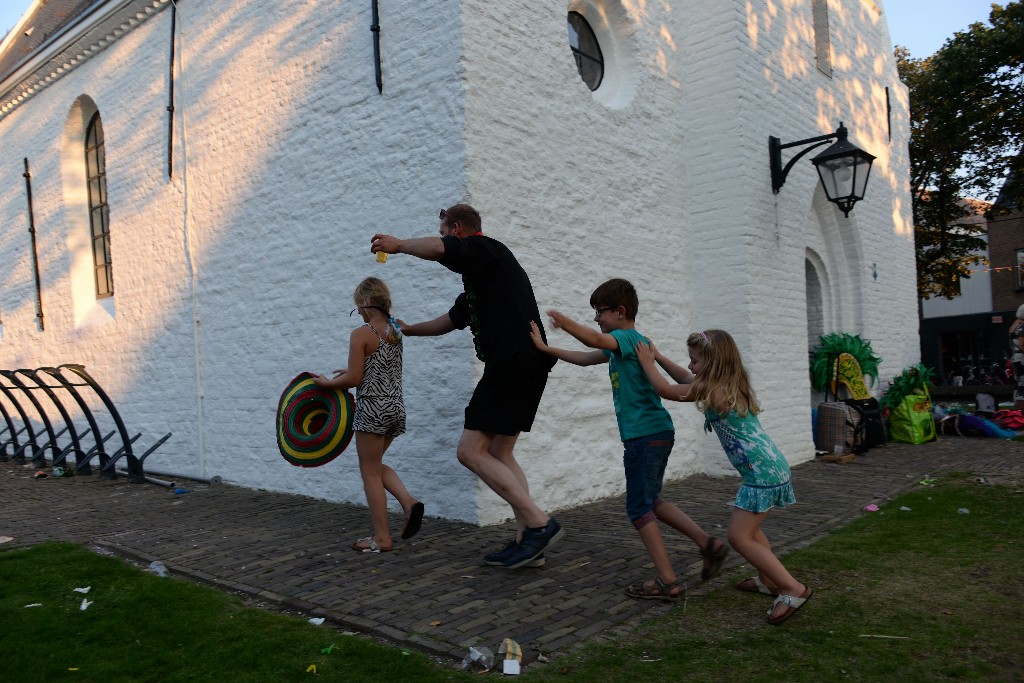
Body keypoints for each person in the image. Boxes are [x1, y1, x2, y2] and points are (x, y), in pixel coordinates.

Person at [370, 205, 562, 569]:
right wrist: (409, 330)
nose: (441, 236)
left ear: (456, 229)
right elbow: (450, 321)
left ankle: (540, 523)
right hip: (527, 363)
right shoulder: (483, 278)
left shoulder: (485, 248)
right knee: (501, 453)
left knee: (470, 451)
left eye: (443, 230)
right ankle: (529, 540)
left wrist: (398, 245)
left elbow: (443, 250)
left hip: (512, 362)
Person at [529, 278, 728, 602]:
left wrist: (565, 323)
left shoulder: (624, 337)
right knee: (652, 502)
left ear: (620, 312)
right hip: (656, 434)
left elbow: (593, 338)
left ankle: (668, 580)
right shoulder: (625, 344)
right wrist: (545, 349)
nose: (596, 318)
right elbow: (586, 356)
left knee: (638, 508)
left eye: (600, 312)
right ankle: (708, 544)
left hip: (644, 437)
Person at [636, 329, 812, 624]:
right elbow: (685, 379)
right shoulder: (725, 383)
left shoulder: (714, 390)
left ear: (713, 363)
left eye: (694, 360)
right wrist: (659, 356)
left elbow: (667, 390)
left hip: (761, 472)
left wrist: (645, 363)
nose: (690, 366)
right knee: (752, 532)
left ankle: (792, 588)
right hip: (768, 466)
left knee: (738, 536)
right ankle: (767, 580)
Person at [313, 277, 424, 553]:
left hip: (372, 409)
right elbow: (376, 369)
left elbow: (354, 378)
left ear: (365, 302)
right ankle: (408, 503)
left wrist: (326, 382)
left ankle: (382, 537)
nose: (359, 313)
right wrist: (350, 373)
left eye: (358, 307)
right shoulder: (396, 328)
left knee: (369, 472)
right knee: (374, 465)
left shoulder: (361, 333)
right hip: (395, 407)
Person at [1010, 304, 1024, 411]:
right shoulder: (1023, 326)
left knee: (1019, 384)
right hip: (1022, 358)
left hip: (1016, 357)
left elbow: (1010, 333)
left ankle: (1018, 412)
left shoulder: (1015, 327)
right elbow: (1023, 343)